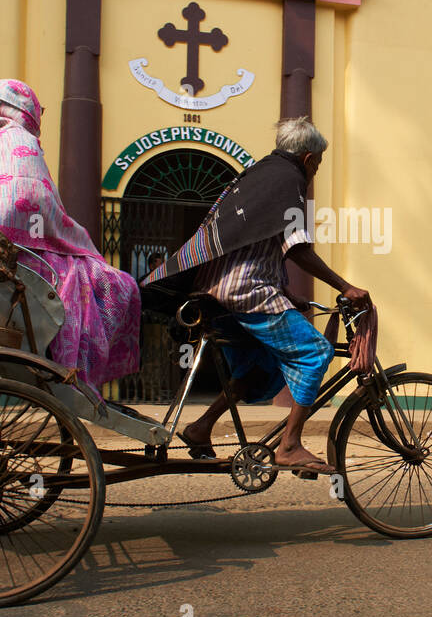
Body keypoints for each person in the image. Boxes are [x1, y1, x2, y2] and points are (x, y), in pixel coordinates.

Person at [142, 118, 370, 474]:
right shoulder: (288, 181)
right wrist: (345, 287)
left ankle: (201, 427)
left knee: (260, 366)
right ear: (309, 158)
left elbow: (257, 248)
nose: (316, 172)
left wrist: (290, 295)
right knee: (316, 353)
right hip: (247, 293)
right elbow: (296, 248)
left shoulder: (259, 176)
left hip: (219, 294)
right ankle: (290, 445)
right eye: (319, 164)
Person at [0, 79, 141, 394]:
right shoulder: (23, 144)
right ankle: (83, 374)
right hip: (26, 266)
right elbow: (41, 208)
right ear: (24, 109)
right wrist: (77, 239)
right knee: (121, 285)